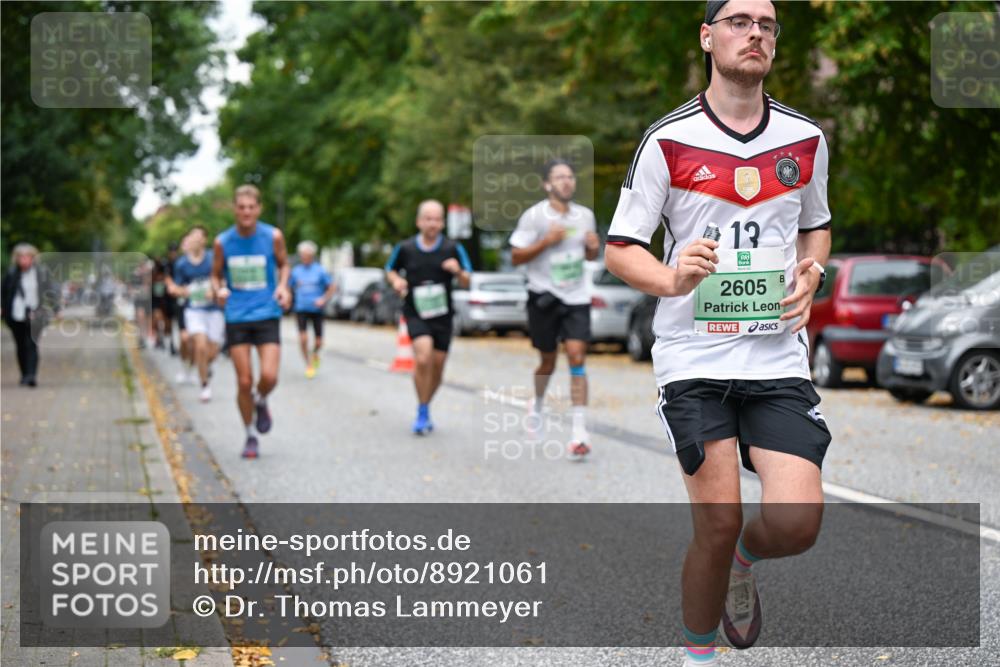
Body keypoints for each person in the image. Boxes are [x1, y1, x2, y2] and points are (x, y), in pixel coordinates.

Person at [604, 2, 832, 664]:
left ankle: (744, 558)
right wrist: (673, 279)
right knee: (717, 517)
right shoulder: (667, 140)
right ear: (708, 37)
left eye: (766, 23)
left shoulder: (805, 138)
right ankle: (696, 655)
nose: (754, 32)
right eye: (737, 20)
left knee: (796, 523)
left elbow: (815, 224)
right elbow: (622, 249)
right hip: (694, 357)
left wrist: (812, 267)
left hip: (777, 354)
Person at [509, 159, 600, 460]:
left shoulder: (585, 216)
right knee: (547, 361)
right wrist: (546, 241)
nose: (566, 182)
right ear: (547, 185)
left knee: (576, 355)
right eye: (559, 177)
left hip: (575, 296)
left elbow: (588, 257)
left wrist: (592, 248)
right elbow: (516, 257)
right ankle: (536, 404)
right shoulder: (534, 216)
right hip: (543, 296)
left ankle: (579, 431)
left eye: (570, 177)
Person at [212, 185, 291, 459]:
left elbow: (284, 264)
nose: (246, 211)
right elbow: (215, 274)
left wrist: (283, 286)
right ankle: (250, 435)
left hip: (267, 313)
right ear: (234, 209)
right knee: (244, 381)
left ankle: (261, 400)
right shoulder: (223, 241)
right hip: (236, 316)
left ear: (259, 208)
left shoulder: (273, 236)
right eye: (241, 207)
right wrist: (219, 288)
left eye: (251, 207)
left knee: (269, 376)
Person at [385, 200, 472, 435]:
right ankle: (422, 411)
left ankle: (425, 404)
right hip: (415, 311)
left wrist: (458, 271)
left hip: (443, 315)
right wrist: (396, 281)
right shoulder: (405, 248)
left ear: (442, 222)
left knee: (438, 368)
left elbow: (468, 280)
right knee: (423, 358)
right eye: (428, 219)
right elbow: (390, 269)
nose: (432, 224)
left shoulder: (453, 248)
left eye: (437, 219)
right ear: (419, 221)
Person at [169, 226, 223, 402]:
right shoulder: (182, 264)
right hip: (195, 310)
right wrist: (181, 291)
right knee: (200, 346)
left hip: (214, 310)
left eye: (199, 236)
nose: (195, 240)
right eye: (192, 236)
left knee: (212, 352)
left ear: (204, 240)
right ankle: (205, 386)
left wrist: (215, 290)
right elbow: (178, 287)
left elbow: (222, 279)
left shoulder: (213, 258)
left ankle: (205, 365)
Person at [2, 243, 59, 387]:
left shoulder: (41, 273)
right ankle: (24, 374)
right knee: (20, 345)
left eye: (27, 257)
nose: (24, 260)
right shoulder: (11, 273)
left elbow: (50, 291)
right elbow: (3, 292)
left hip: (35, 314)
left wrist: (56, 308)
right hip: (16, 314)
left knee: (32, 344)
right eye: (21, 257)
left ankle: (31, 375)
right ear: (16, 258)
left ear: (33, 258)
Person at [288, 240, 335, 378]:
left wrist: (323, 299)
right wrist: (288, 298)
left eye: (307, 255)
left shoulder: (320, 270)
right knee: (303, 338)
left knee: (319, 342)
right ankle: (308, 365)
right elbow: (288, 287)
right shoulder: (296, 271)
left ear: (312, 255)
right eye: (302, 255)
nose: (305, 257)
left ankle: (314, 354)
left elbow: (331, 287)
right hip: (301, 308)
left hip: (317, 310)